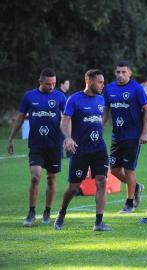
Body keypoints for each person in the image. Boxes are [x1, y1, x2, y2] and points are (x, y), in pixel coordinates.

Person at [8, 68, 66, 226]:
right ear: (40, 82)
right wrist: (11, 138)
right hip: (36, 144)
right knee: (35, 177)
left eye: (54, 83)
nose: (51, 86)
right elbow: (20, 118)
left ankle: (47, 211)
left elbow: (67, 119)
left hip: (54, 144)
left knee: (51, 178)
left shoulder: (60, 97)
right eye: (48, 84)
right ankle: (32, 211)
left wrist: (69, 138)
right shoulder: (29, 96)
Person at [54, 69, 111, 231]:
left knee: (102, 181)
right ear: (90, 81)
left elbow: (102, 119)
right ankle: (61, 214)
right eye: (100, 82)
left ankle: (99, 222)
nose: (102, 85)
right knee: (74, 187)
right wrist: (68, 137)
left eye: (103, 82)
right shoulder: (74, 99)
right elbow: (64, 122)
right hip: (81, 150)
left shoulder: (101, 100)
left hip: (99, 148)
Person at [103, 61, 147, 213]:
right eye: (118, 72)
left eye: (123, 72)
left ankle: (129, 203)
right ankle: (136, 186)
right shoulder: (109, 88)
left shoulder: (136, 88)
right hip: (116, 136)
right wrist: (101, 125)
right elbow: (106, 109)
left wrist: (144, 132)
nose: (120, 75)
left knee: (129, 169)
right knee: (115, 170)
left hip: (133, 136)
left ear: (130, 73)